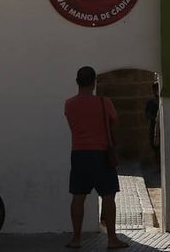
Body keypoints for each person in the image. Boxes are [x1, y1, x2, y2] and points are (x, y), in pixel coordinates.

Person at [64, 66, 126, 249]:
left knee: (78, 196)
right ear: (94, 82)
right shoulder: (104, 102)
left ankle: (76, 239)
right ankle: (112, 239)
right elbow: (114, 120)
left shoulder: (69, 104)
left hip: (78, 154)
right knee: (108, 196)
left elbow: (72, 125)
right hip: (100, 154)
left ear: (77, 82)